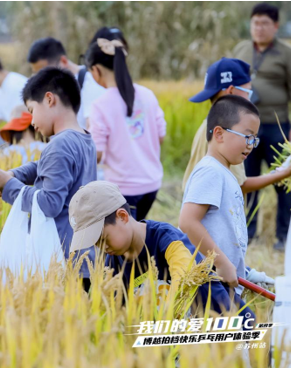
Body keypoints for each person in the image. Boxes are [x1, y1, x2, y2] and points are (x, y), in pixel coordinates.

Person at [68, 181, 255, 325]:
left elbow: (184, 276)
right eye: (96, 243)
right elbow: (108, 312)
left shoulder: (167, 239)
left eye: (103, 238)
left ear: (123, 217)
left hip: (228, 325)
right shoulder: (113, 264)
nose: (102, 247)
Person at [0, 67, 98, 286]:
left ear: (49, 99)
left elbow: (49, 204)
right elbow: (44, 165)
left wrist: (9, 186)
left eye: (32, 110)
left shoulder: (60, 145)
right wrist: (14, 174)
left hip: (60, 259)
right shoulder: (84, 139)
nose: (31, 121)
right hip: (82, 254)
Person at [182, 58, 291, 226]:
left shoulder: (210, 126)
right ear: (231, 92)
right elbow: (239, 185)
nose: (250, 100)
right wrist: (284, 173)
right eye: (248, 92)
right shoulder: (227, 137)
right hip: (210, 226)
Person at [233, 3, 291, 249]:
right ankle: (249, 234)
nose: (259, 28)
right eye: (255, 23)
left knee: (282, 182)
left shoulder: (288, 53)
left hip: (278, 126)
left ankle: (282, 236)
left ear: (276, 26)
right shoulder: (241, 49)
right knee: (247, 179)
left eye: (265, 24)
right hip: (245, 127)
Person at [179, 95, 260, 301]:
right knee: (244, 326)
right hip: (211, 280)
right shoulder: (210, 171)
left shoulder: (224, 172)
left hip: (224, 279)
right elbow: (188, 221)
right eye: (247, 136)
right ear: (219, 134)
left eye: (254, 139)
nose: (251, 145)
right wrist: (221, 262)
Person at [85, 34, 166, 221]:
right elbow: (160, 136)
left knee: (123, 246)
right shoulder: (147, 95)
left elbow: (97, 152)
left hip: (122, 190)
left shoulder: (100, 105)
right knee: (137, 236)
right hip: (151, 184)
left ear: (95, 70)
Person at [27, 37, 105, 130]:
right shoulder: (54, 91)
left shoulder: (91, 82)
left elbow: (95, 131)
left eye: (46, 73)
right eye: (37, 74)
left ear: (63, 61)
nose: (41, 79)